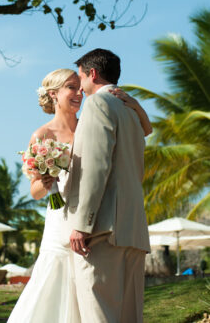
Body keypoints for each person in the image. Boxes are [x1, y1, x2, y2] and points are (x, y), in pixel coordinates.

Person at [8, 66, 151, 323]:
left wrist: (135, 104)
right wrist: (48, 179)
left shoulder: (90, 119)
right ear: (53, 94)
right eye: (71, 88)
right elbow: (36, 190)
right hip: (59, 216)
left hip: (92, 216)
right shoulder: (42, 135)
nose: (78, 93)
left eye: (79, 87)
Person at [64, 48, 151, 323]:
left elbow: (96, 165)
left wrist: (82, 223)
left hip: (103, 231)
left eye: (80, 79)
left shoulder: (97, 104)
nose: (80, 88)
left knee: (99, 315)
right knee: (129, 317)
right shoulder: (132, 111)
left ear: (92, 73)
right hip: (134, 229)